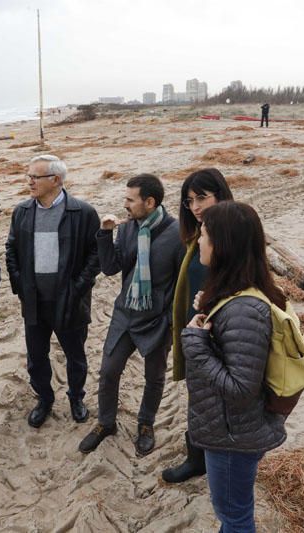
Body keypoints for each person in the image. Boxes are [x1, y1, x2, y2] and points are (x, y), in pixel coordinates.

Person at [182, 201, 287, 532]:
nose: (199, 241)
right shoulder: (235, 296)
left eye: (204, 235)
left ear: (223, 245)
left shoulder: (243, 310)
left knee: (235, 516)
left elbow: (241, 390)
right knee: (233, 512)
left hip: (232, 437)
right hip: (230, 430)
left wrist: (196, 344)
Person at [78, 174, 184, 456]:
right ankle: (106, 422)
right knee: (109, 371)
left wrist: (169, 322)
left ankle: (146, 424)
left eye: (130, 199)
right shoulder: (127, 229)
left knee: (155, 377)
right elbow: (111, 267)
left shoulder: (177, 234)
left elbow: (181, 285)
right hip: (125, 313)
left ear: (150, 202)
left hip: (156, 319)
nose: (125, 204)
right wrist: (104, 233)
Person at [5, 154, 101, 428]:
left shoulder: (82, 212)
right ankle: (44, 399)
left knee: (75, 356)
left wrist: (78, 286)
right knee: (36, 357)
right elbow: (11, 249)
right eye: (29, 176)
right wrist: (20, 283)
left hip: (70, 300)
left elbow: (96, 255)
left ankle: (76, 399)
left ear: (56, 180)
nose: (30, 181)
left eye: (35, 177)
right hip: (34, 300)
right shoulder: (22, 211)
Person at [162, 168, 234, 484]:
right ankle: (198, 458)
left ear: (220, 195)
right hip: (197, 331)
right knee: (198, 398)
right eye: (189, 200)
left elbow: (246, 281)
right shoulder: (198, 236)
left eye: (202, 197)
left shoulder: (232, 235)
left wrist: (215, 300)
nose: (194, 206)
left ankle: (206, 461)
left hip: (222, 334)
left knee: (213, 402)